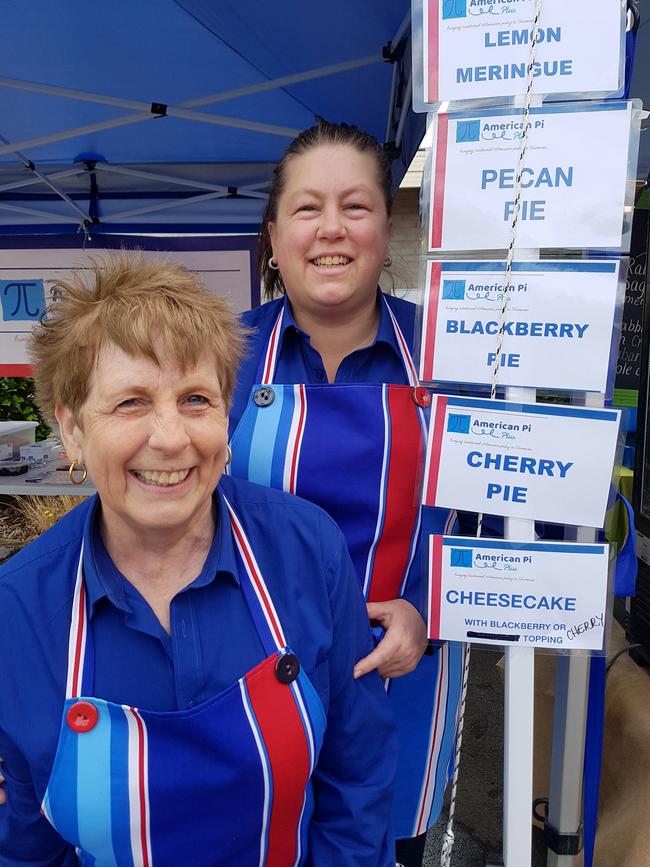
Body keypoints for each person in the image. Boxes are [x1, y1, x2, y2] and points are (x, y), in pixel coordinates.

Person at [0, 256, 397, 866]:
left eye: (195, 399)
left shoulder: (305, 549)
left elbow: (357, 775)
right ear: (72, 429)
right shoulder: (19, 609)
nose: (170, 437)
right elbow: (28, 847)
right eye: (130, 403)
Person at [228, 119, 464, 866]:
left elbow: (505, 523)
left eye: (356, 206)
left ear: (385, 225)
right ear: (273, 233)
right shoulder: (218, 357)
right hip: (243, 684)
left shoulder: (451, 357)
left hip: (406, 683)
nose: (332, 228)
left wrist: (430, 605)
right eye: (307, 208)